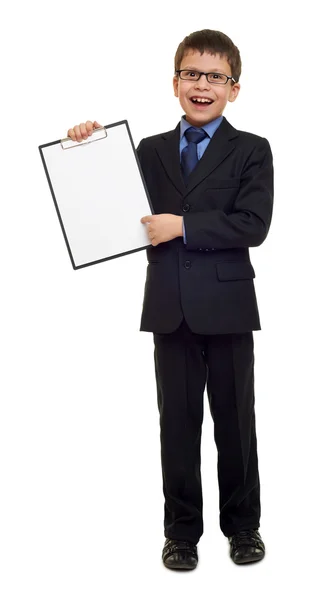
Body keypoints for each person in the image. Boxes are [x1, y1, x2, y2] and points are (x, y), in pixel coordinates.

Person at [67, 28, 273, 569]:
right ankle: (181, 533)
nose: (201, 85)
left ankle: (244, 527)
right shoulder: (151, 150)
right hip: (170, 307)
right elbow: (112, 206)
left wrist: (181, 226)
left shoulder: (252, 150)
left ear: (234, 88)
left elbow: (253, 224)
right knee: (176, 425)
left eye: (214, 76)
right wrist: (88, 148)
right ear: (174, 81)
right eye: (191, 74)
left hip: (227, 309)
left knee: (236, 423)